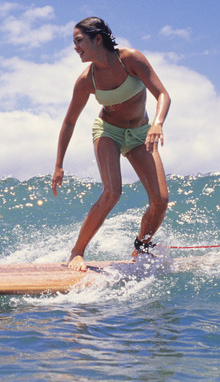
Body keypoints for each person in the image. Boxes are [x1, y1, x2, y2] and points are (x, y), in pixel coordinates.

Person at [51, 17, 171, 272]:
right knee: (112, 192)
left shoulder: (130, 59)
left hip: (140, 132)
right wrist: (59, 164)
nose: (75, 48)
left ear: (98, 39)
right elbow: (69, 121)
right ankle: (77, 252)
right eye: (74, 43)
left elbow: (162, 94)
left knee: (160, 199)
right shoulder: (87, 79)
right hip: (108, 131)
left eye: (79, 41)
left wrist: (158, 123)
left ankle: (141, 248)